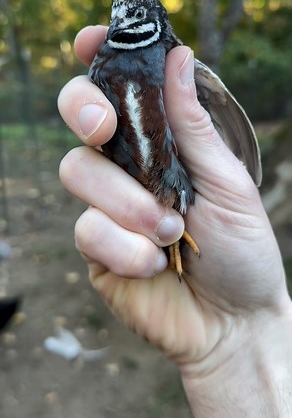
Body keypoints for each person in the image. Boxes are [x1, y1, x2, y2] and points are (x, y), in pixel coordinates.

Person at [58, 24, 292, 417]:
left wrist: (253, 322)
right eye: (120, 22)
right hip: (136, 183)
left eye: (136, 23)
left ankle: (173, 236)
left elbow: (212, 101)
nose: (124, 29)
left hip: (178, 192)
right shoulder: (102, 62)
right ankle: (164, 236)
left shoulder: (173, 62)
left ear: (155, 26)